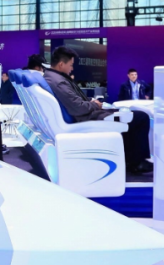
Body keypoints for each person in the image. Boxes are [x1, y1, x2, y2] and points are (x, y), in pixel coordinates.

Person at [41, 46, 153, 174]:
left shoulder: (53, 77)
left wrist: (91, 102)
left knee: (127, 115)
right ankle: (137, 162)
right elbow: (78, 108)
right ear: (61, 64)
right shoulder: (59, 81)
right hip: (87, 117)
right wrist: (95, 105)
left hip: (88, 113)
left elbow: (74, 101)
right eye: (71, 65)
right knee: (141, 117)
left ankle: (131, 160)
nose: (72, 68)